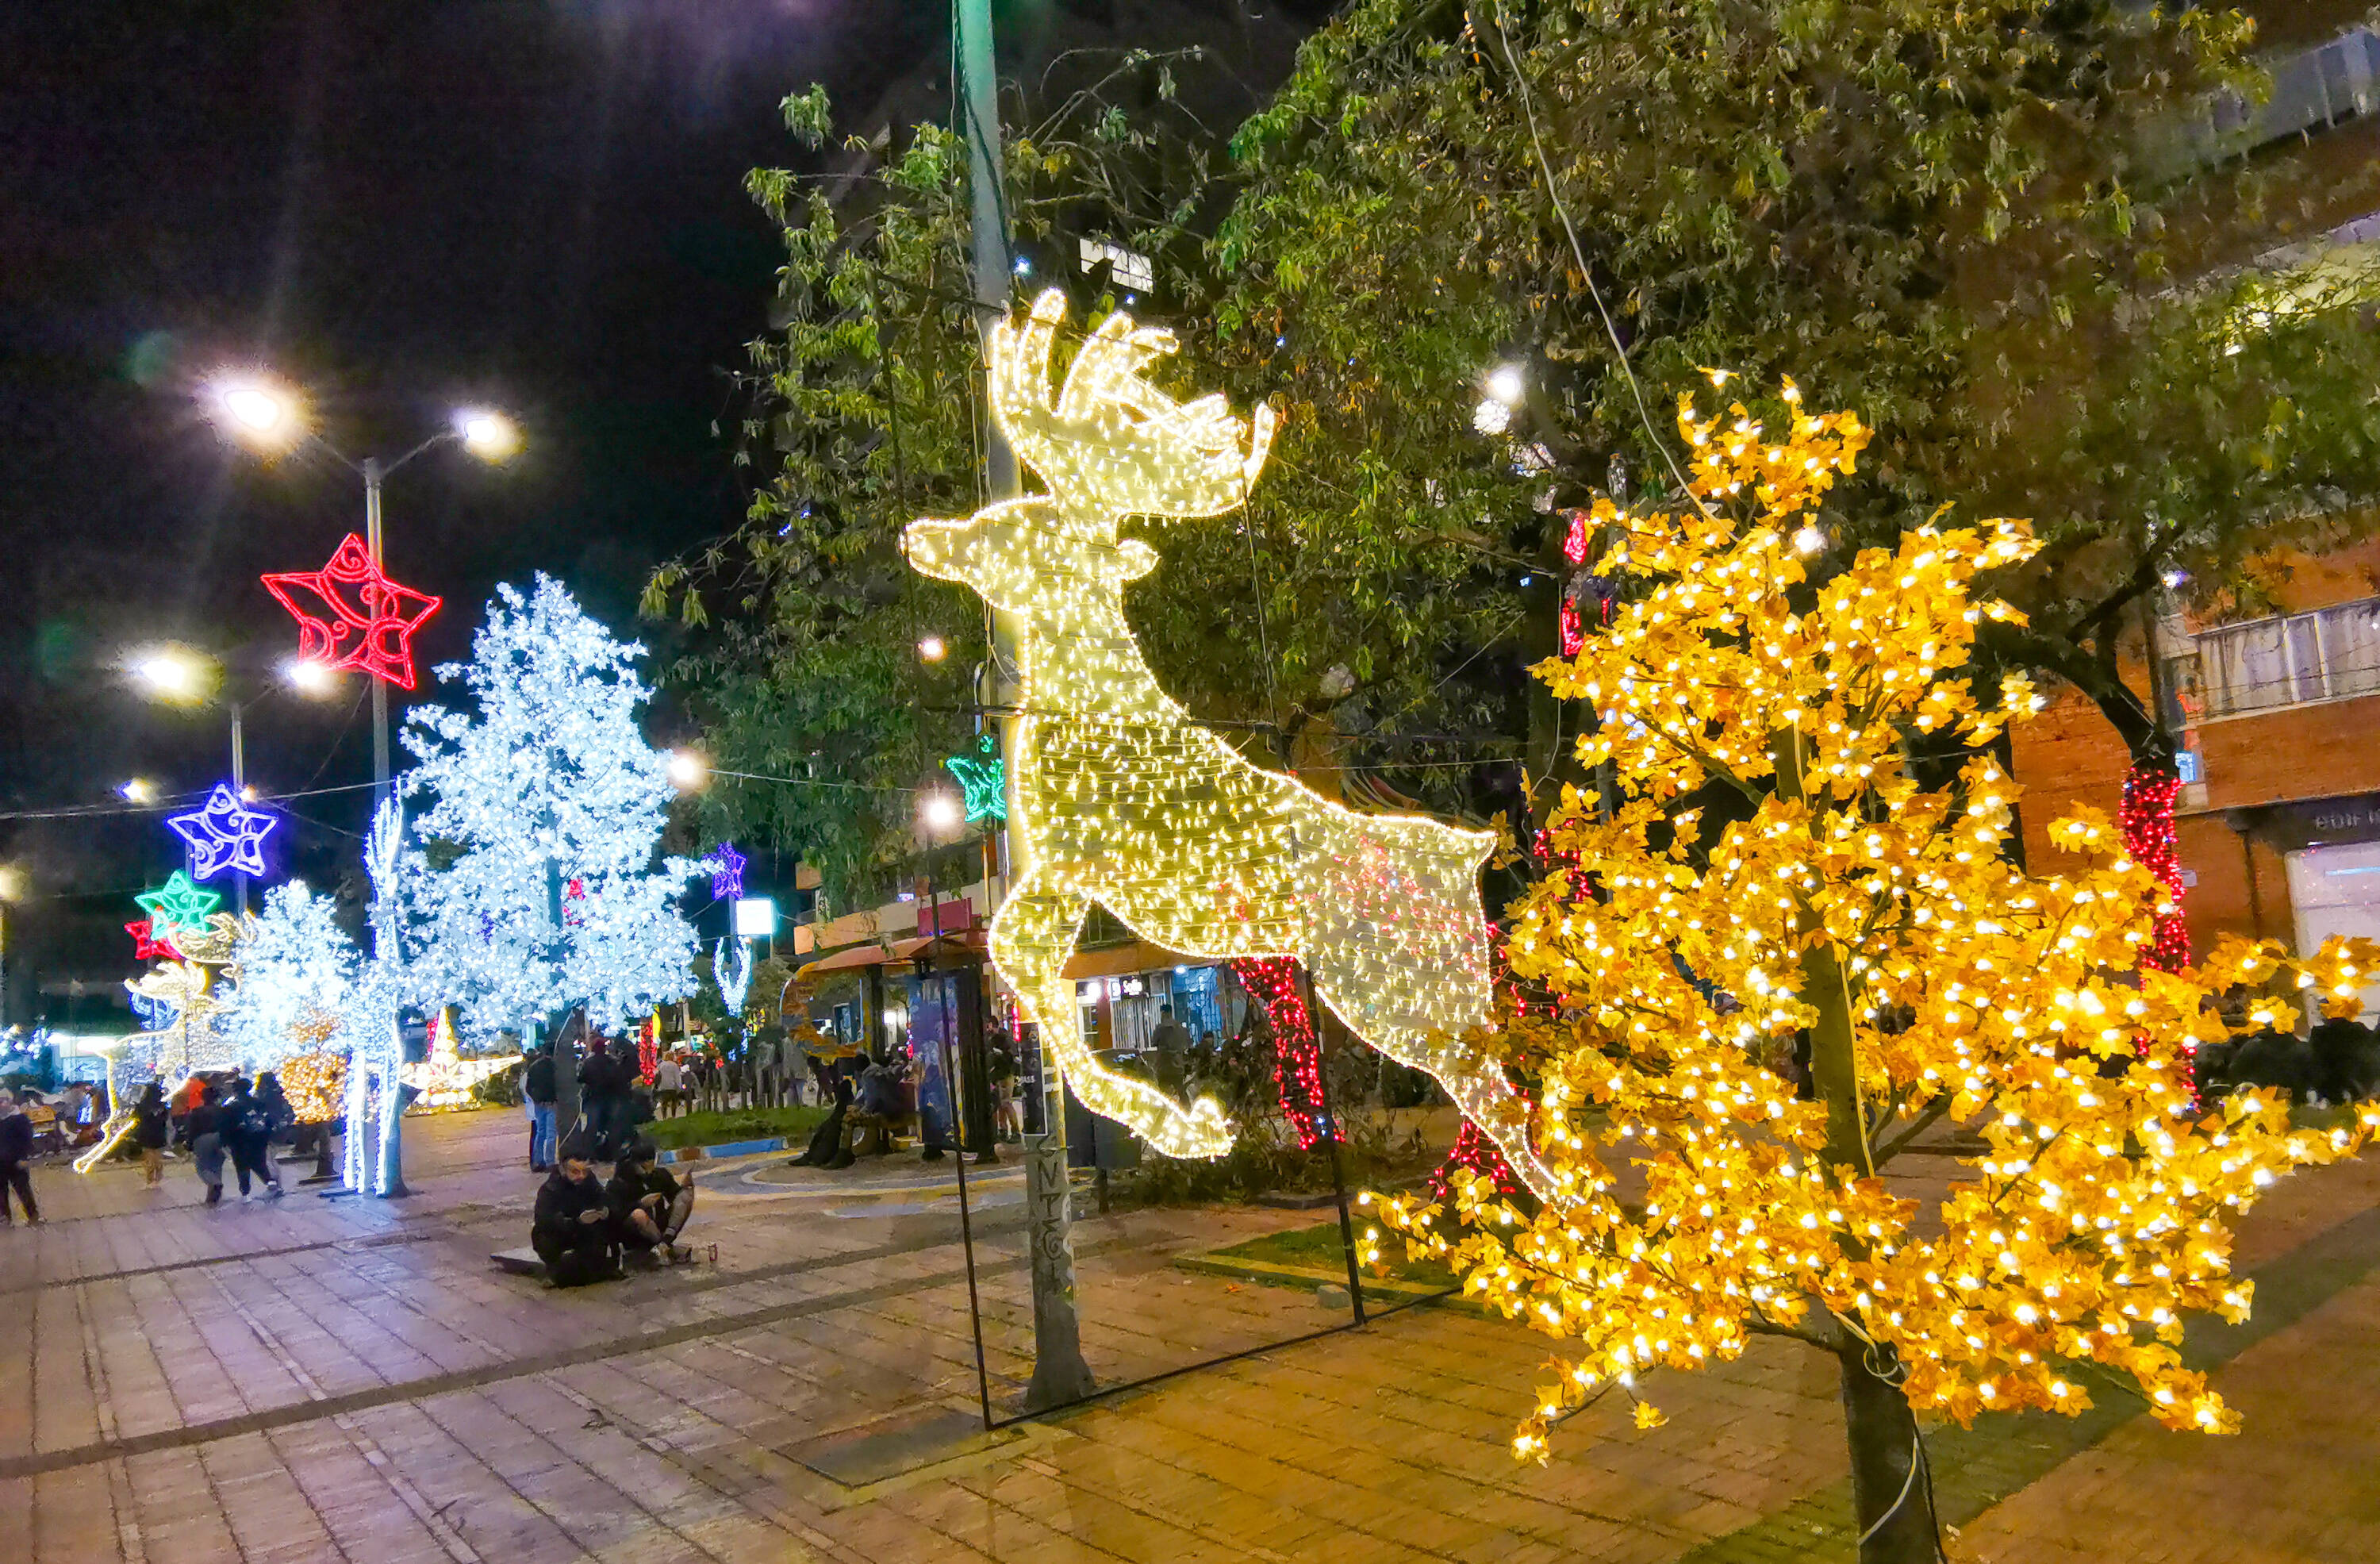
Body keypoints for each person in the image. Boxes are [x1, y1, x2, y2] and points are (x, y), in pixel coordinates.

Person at [530, 1132, 620, 1286]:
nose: (581, 1176)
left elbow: (603, 1198)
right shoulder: (551, 1189)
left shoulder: (588, 1181)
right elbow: (547, 1222)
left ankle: (603, 1265)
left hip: (584, 1234)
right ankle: (557, 1269)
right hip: (559, 1237)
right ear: (564, 1169)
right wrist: (577, 1221)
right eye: (575, 1172)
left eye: (584, 1171)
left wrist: (605, 1211)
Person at [608, 1137, 694, 1266]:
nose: (649, 1170)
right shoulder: (620, 1182)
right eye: (644, 1167)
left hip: (660, 1226)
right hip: (634, 1231)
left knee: (686, 1196)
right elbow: (614, 1215)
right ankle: (662, 1246)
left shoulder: (660, 1175)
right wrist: (640, 1204)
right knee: (639, 1214)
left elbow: (676, 1199)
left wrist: (685, 1187)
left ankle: (665, 1244)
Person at [221, 1078, 284, 1199]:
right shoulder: (258, 1103)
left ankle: (246, 1194)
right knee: (259, 1162)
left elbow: (226, 1126)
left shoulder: (231, 1106)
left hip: (239, 1141)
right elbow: (268, 1120)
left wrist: (225, 1142)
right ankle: (270, 1182)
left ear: (235, 1090)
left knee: (242, 1166)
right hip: (259, 1138)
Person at [180, 1084, 228, 1205]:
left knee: (202, 1167)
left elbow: (192, 1130)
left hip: (202, 1139)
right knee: (217, 1165)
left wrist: (189, 1144)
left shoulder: (197, 1112)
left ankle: (214, 1184)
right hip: (220, 1138)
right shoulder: (223, 1111)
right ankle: (213, 1197)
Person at [0, 1090, 37, 1227]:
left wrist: (24, 1157)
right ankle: (5, 1217)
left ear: (10, 1102)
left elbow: (27, 1140)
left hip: (16, 1161)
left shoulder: (20, 1119)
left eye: (4, 1100)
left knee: (23, 1190)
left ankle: (33, 1216)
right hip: (1, 1163)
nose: (2, 1104)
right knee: (1, 1192)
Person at [523, 1043, 558, 1171]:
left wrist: (537, 1100)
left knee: (540, 1133)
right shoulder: (555, 1067)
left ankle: (538, 1161)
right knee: (551, 1134)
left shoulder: (535, 1066)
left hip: (539, 1105)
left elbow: (528, 1087)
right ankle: (550, 1162)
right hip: (552, 1103)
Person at [132, 1082, 171, 1189]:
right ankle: (158, 1177)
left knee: (148, 1157)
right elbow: (165, 1119)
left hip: (146, 1134)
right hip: (158, 1134)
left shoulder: (143, 1104)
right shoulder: (162, 1105)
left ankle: (150, 1179)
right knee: (157, 1156)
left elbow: (137, 1116)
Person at [652, 1051, 683, 1118]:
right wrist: (679, 1087)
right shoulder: (675, 1065)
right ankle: (673, 1116)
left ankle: (664, 1117)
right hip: (672, 1087)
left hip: (663, 1086)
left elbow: (655, 1073)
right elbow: (677, 1077)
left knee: (664, 1103)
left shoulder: (661, 1065)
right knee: (674, 1102)